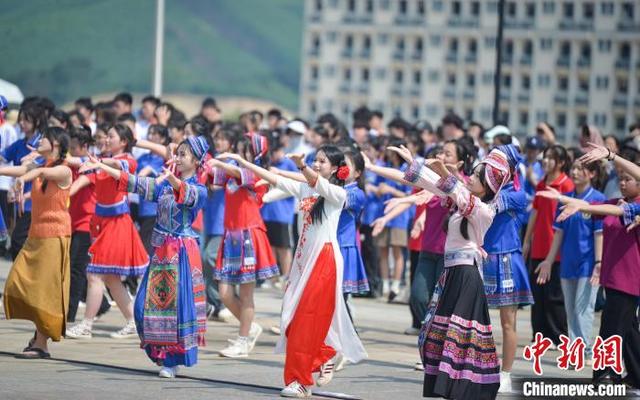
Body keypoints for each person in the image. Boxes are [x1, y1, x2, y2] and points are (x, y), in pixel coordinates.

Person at [218, 144, 367, 398]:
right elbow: (272, 177)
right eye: (315, 160)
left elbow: (316, 182)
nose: (317, 164)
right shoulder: (305, 188)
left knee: (305, 322)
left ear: (335, 169)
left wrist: (302, 165)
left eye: (322, 161)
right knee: (290, 319)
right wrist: (238, 160)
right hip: (302, 262)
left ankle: (300, 381)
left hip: (324, 261)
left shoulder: (336, 194)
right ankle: (325, 354)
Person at [80, 136, 210, 378]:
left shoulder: (199, 189)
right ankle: (162, 354)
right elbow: (135, 182)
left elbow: (188, 194)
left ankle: (171, 361)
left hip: (181, 253)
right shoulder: (163, 185)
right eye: (178, 153)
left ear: (196, 160)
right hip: (161, 254)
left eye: (183, 154)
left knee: (176, 310)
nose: (178, 158)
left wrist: (173, 180)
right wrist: (102, 166)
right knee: (143, 308)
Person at [387, 144, 510, 400]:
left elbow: (455, 189)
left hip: (466, 276)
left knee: (459, 336)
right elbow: (435, 184)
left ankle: (461, 389)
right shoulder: (461, 200)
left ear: (487, 187)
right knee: (439, 332)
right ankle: (449, 389)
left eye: (476, 177)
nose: (471, 179)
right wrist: (414, 162)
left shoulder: (484, 210)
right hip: (453, 274)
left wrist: (442, 169)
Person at [65, 124, 149, 339]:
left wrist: (96, 162)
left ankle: (87, 325)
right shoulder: (100, 160)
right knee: (111, 278)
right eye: (105, 136)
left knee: (94, 274)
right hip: (102, 223)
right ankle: (133, 321)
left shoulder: (128, 160)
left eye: (110, 136)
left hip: (117, 224)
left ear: (123, 141)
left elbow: (115, 165)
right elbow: (80, 162)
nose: (106, 139)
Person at [2, 126, 73, 358]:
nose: (40, 140)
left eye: (45, 138)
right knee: (18, 281)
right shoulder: (42, 166)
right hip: (37, 234)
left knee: (46, 290)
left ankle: (41, 344)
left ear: (56, 144)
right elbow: (22, 169)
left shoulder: (63, 170)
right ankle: (38, 337)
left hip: (55, 236)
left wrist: (25, 176)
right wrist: (15, 173)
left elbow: (38, 173)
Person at [207, 133, 279, 358]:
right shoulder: (230, 173)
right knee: (225, 293)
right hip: (231, 236)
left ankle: (243, 340)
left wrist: (220, 162)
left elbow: (239, 173)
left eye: (244, 150)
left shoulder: (255, 174)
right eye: (238, 148)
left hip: (249, 236)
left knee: (246, 295)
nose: (239, 154)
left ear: (255, 153)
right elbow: (209, 175)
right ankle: (250, 328)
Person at [535, 156, 606, 368]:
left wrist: (599, 262)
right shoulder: (565, 199)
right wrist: (548, 260)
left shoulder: (598, 200)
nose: (574, 172)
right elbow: (558, 234)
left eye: (580, 169)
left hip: (588, 265)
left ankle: (583, 350)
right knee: (571, 310)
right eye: (573, 168)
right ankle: (577, 350)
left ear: (592, 174)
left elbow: (599, 234)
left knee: (583, 309)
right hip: (568, 263)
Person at [480, 144, 534, 393]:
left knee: (508, 323)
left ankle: (506, 373)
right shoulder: (485, 189)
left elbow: (491, 206)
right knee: (474, 320)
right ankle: (477, 367)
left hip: (506, 260)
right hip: (481, 257)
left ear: (510, 169)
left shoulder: (516, 194)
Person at [522, 144, 574, 346]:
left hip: (557, 250)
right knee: (538, 295)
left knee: (554, 296)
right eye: (545, 157)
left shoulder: (567, 185)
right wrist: (527, 240)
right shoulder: (542, 184)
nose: (545, 161)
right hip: (539, 247)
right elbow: (535, 212)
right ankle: (540, 336)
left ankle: (557, 336)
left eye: (551, 158)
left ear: (561, 162)